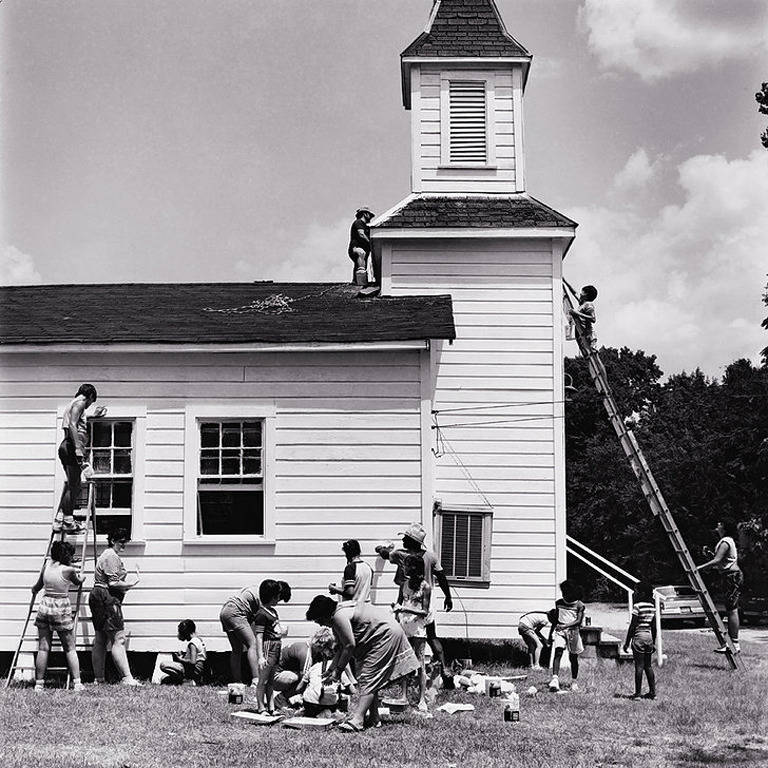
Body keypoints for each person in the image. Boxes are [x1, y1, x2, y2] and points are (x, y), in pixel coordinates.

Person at [306, 594, 419, 733]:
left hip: (384, 636)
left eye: (319, 621)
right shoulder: (340, 612)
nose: (321, 625)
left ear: (324, 615)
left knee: (368, 677)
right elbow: (341, 647)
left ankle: (358, 719)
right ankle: (374, 717)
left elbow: (349, 646)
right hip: (384, 634)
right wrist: (330, 670)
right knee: (369, 678)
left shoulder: (338, 617)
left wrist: (338, 671)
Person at [375, 522, 453, 678]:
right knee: (431, 635)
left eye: (406, 538)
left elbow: (385, 555)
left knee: (407, 636)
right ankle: (444, 668)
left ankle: (409, 672)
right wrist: (448, 596)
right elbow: (442, 576)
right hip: (427, 599)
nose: (403, 540)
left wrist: (380, 549)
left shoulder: (401, 555)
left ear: (412, 541)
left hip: (409, 601)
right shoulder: (430, 556)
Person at [89, 527, 141, 685]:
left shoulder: (107, 555)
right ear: (113, 541)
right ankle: (127, 678)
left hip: (98, 595)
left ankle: (99, 678)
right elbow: (113, 582)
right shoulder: (111, 556)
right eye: (122, 542)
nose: (124, 545)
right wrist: (131, 583)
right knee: (119, 639)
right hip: (106, 597)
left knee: (101, 638)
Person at [30, 541, 85, 692]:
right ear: (67, 556)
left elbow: (37, 586)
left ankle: (39, 684)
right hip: (60, 607)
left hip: (45, 604)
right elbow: (78, 582)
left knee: (43, 647)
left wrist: (33, 590)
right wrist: (82, 576)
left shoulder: (46, 566)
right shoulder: (68, 570)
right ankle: (77, 682)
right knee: (69, 647)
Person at [55, 384, 107, 533]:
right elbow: (72, 424)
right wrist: (78, 448)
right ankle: (68, 521)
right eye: (92, 402)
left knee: (73, 484)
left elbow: (75, 420)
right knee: (75, 486)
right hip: (72, 447)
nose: (90, 405)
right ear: (90, 396)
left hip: (68, 447)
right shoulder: (80, 403)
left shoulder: (74, 404)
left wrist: (92, 416)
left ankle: (60, 519)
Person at [219, 580, 292, 685]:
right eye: (278, 599)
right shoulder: (262, 598)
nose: (276, 602)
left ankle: (237, 681)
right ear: (277, 593)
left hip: (226, 611)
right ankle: (256, 680)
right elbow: (263, 624)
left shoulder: (257, 589)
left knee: (237, 649)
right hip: (237, 612)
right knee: (253, 644)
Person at [696, 518, 743, 654]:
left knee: (732, 609)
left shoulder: (725, 541)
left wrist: (700, 567)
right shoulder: (725, 541)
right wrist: (710, 561)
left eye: (720, 523)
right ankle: (731, 642)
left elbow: (717, 560)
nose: (718, 524)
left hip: (732, 576)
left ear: (725, 527)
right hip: (729, 576)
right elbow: (721, 562)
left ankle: (734, 643)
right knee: (730, 608)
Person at [393, 554, 432, 712]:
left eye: (408, 565)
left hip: (418, 630)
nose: (405, 568)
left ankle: (422, 699)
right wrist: (396, 611)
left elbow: (424, 611)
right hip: (404, 628)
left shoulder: (425, 587)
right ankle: (403, 695)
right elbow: (399, 601)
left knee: (420, 663)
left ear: (415, 568)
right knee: (404, 662)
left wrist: (404, 609)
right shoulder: (404, 584)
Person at [272, 628, 338, 706]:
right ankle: (280, 699)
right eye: (329, 649)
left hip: (283, 673)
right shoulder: (306, 653)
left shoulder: (311, 649)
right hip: (275, 677)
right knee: (303, 679)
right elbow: (304, 680)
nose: (330, 652)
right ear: (321, 646)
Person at [252, 579, 285, 713]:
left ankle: (271, 707)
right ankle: (261, 707)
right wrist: (260, 657)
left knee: (271, 681)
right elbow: (259, 636)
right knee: (263, 681)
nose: (279, 598)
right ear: (271, 595)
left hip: (276, 647)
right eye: (277, 595)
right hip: (267, 647)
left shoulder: (273, 612)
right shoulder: (261, 614)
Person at [548, 580, 585, 693]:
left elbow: (578, 621)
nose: (564, 595)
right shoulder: (559, 603)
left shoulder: (579, 605)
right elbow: (555, 620)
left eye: (566, 593)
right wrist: (550, 634)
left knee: (573, 657)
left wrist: (565, 626)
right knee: (558, 651)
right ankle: (555, 679)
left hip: (573, 632)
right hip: (560, 631)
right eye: (563, 593)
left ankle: (574, 681)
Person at [622, 582, 657, 700]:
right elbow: (654, 627)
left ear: (641, 593)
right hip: (649, 637)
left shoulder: (637, 606)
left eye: (636, 592)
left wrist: (627, 642)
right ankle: (653, 693)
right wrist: (654, 642)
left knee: (639, 666)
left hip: (639, 637)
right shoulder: (652, 607)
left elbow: (632, 626)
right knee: (648, 666)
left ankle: (637, 694)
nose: (634, 594)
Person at [159, 619, 207, 686]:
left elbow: (193, 662)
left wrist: (180, 659)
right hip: (199, 670)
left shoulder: (192, 644)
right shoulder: (199, 640)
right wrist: (183, 655)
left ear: (186, 632)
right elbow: (198, 656)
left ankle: (188, 681)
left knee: (163, 665)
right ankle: (187, 681)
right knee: (164, 679)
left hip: (194, 670)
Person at [329, 539, 373, 606]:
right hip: (366, 607)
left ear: (347, 553)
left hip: (353, 608)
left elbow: (350, 593)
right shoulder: (368, 567)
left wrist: (334, 589)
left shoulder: (350, 568)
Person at [348, 206, 375, 285]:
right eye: (369, 215)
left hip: (365, 250)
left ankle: (357, 281)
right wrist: (370, 243)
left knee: (361, 263)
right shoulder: (359, 222)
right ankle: (359, 280)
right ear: (365, 214)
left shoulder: (366, 226)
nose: (370, 217)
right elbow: (361, 234)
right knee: (361, 253)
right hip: (355, 248)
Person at [567, 284, 598, 349]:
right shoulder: (582, 303)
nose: (580, 293)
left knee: (592, 352)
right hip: (581, 333)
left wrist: (577, 313)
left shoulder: (588, 305)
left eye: (582, 292)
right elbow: (574, 292)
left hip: (588, 334)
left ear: (586, 295)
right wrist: (564, 281)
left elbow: (593, 319)